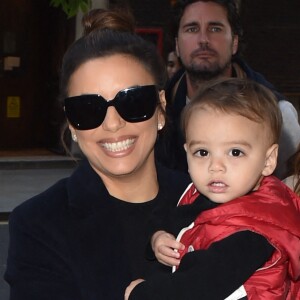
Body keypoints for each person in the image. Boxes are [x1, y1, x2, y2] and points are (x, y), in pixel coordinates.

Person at [4, 8, 191, 300]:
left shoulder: (210, 201)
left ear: (160, 109)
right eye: (88, 109)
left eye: (133, 101)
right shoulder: (39, 224)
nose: (113, 124)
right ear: (72, 125)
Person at [125, 78, 300, 300]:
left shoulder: (256, 231)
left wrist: (142, 294)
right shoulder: (202, 194)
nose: (215, 166)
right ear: (187, 152)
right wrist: (157, 238)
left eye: (235, 152)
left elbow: (198, 286)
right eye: (202, 152)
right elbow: (171, 218)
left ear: (268, 160)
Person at [158, 0, 300, 179]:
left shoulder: (278, 114)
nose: (203, 40)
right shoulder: (157, 113)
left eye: (215, 29)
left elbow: (290, 195)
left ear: (234, 42)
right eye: (192, 29)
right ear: (177, 45)